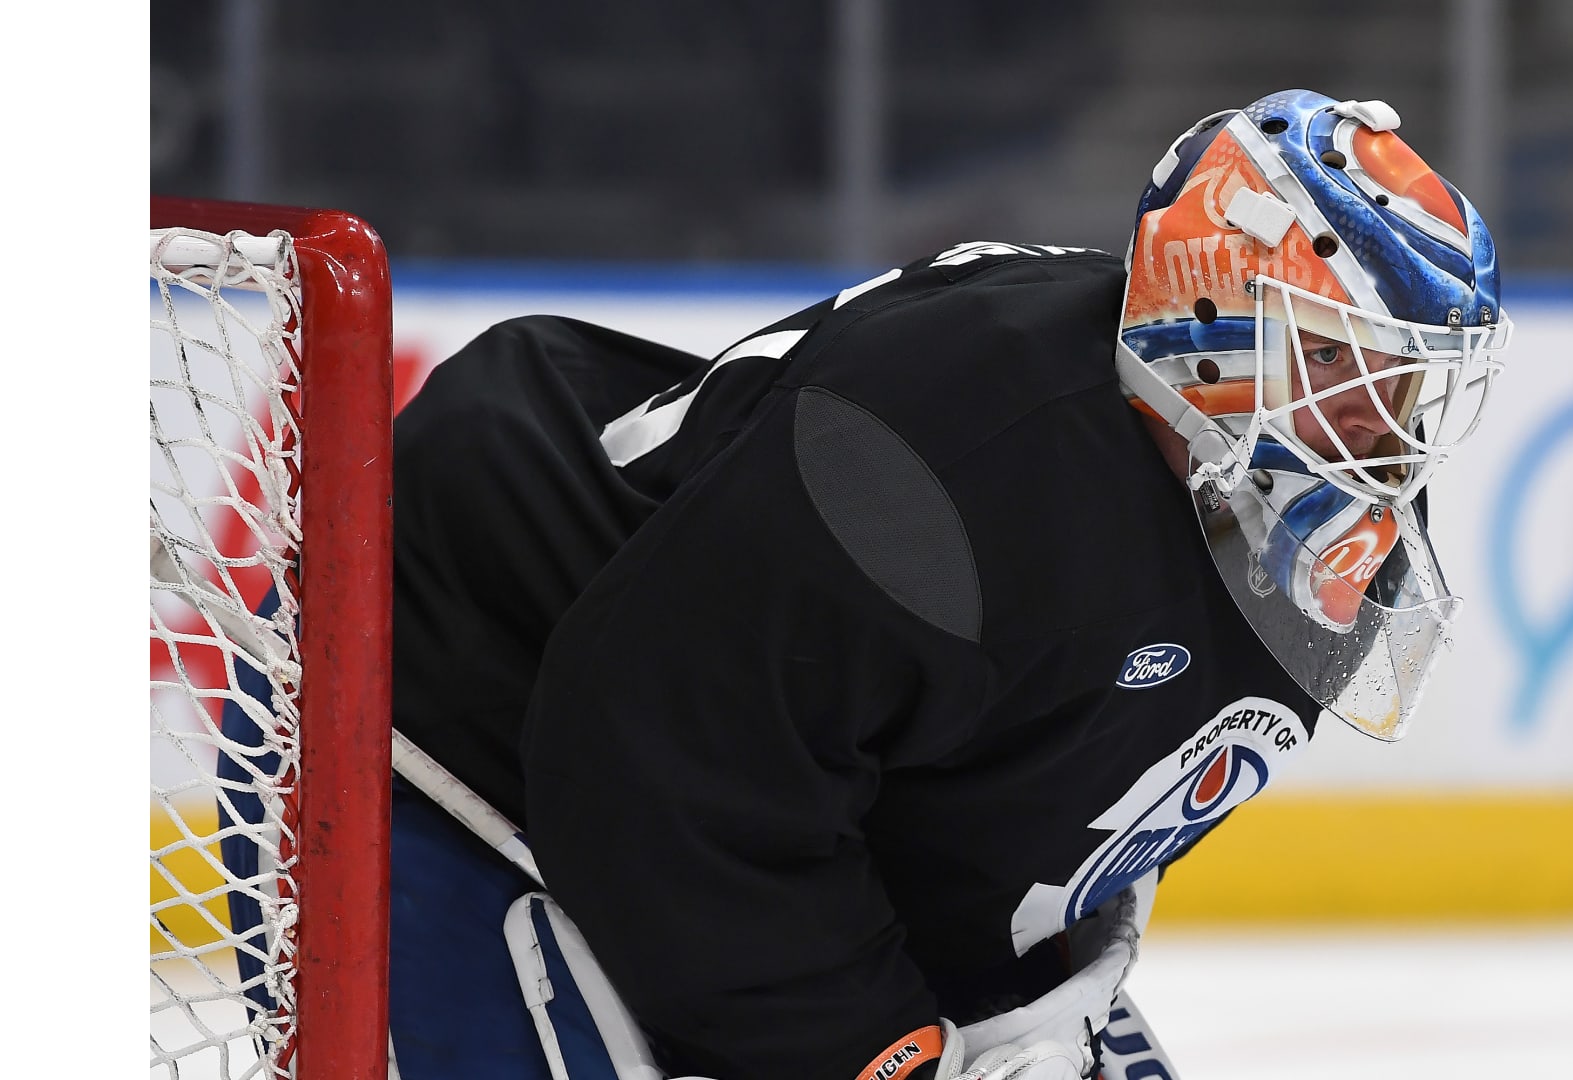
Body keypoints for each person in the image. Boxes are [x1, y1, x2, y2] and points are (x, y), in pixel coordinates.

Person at [367, 88, 1512, 1080]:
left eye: (1407, 381)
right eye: (1335, 357)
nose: (1382, 428)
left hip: (709, 756)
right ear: (1206, 306)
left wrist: (1004, 1003)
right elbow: (663, 762)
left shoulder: (1312, 530)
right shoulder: (942, 461)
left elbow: (1004, 816)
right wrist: (876, 1048)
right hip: (461, 680)